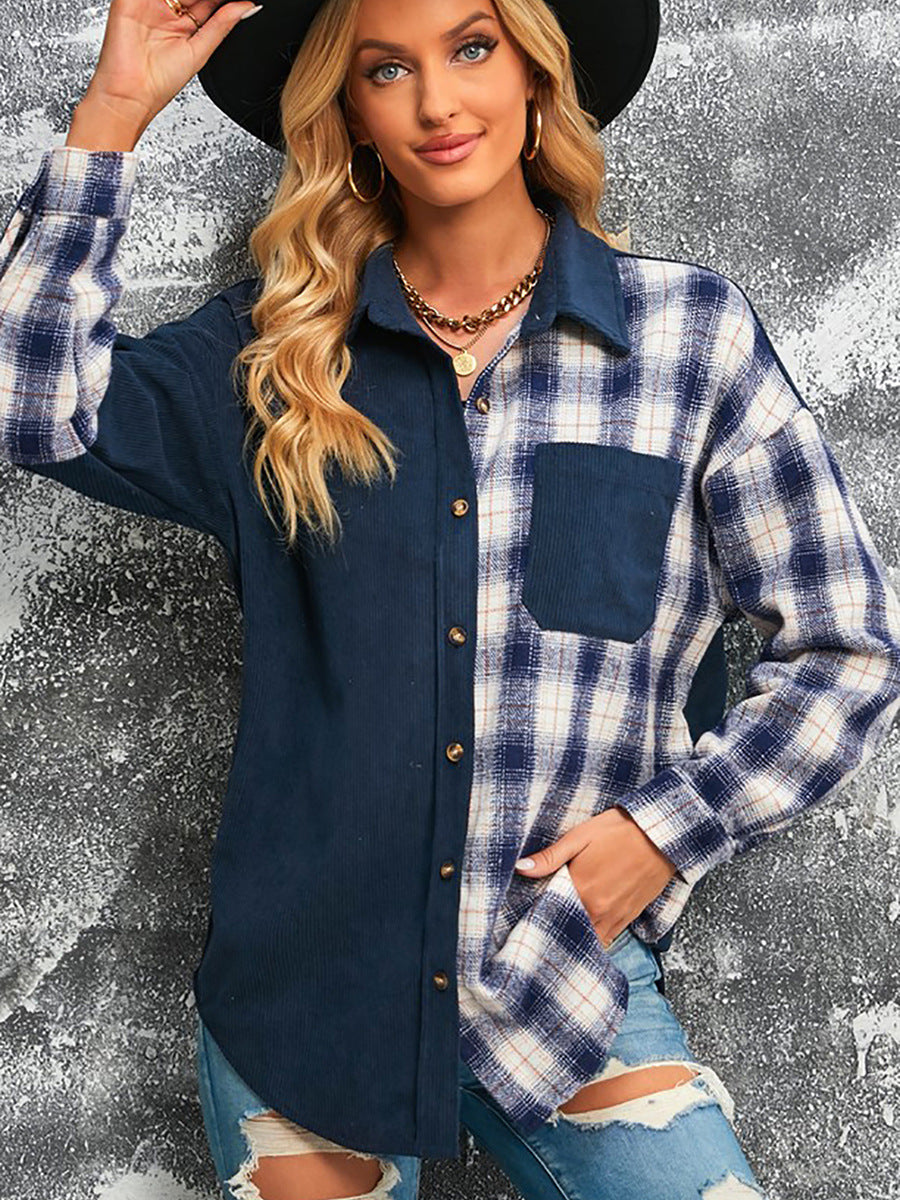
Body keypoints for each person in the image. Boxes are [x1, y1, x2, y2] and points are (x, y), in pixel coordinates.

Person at [2, 0, 899, 1197]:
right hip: (309, 1005)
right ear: (350, 111)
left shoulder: (690, 340)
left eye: (472, 47)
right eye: (387, 69)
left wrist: (662, 833)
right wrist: (114, 112)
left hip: (564, 978)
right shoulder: (275, 355)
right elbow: (32, 406)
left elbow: (848, 651)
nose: (436, 103)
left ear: (534, 68)